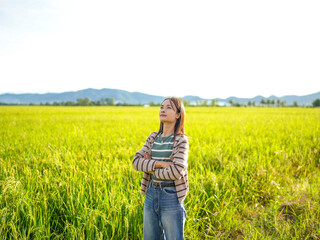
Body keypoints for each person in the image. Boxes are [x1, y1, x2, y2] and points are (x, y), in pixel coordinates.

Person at [132, 97, 189, 240]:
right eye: (161, 107)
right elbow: (136, 162)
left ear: (178, 115)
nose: (163, 109)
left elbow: (176, 172)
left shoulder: (181, 140)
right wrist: (161, 164)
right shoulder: (153, 137)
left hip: (171, 195)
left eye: (168, 107)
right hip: (151, 192)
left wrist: (150, 165)